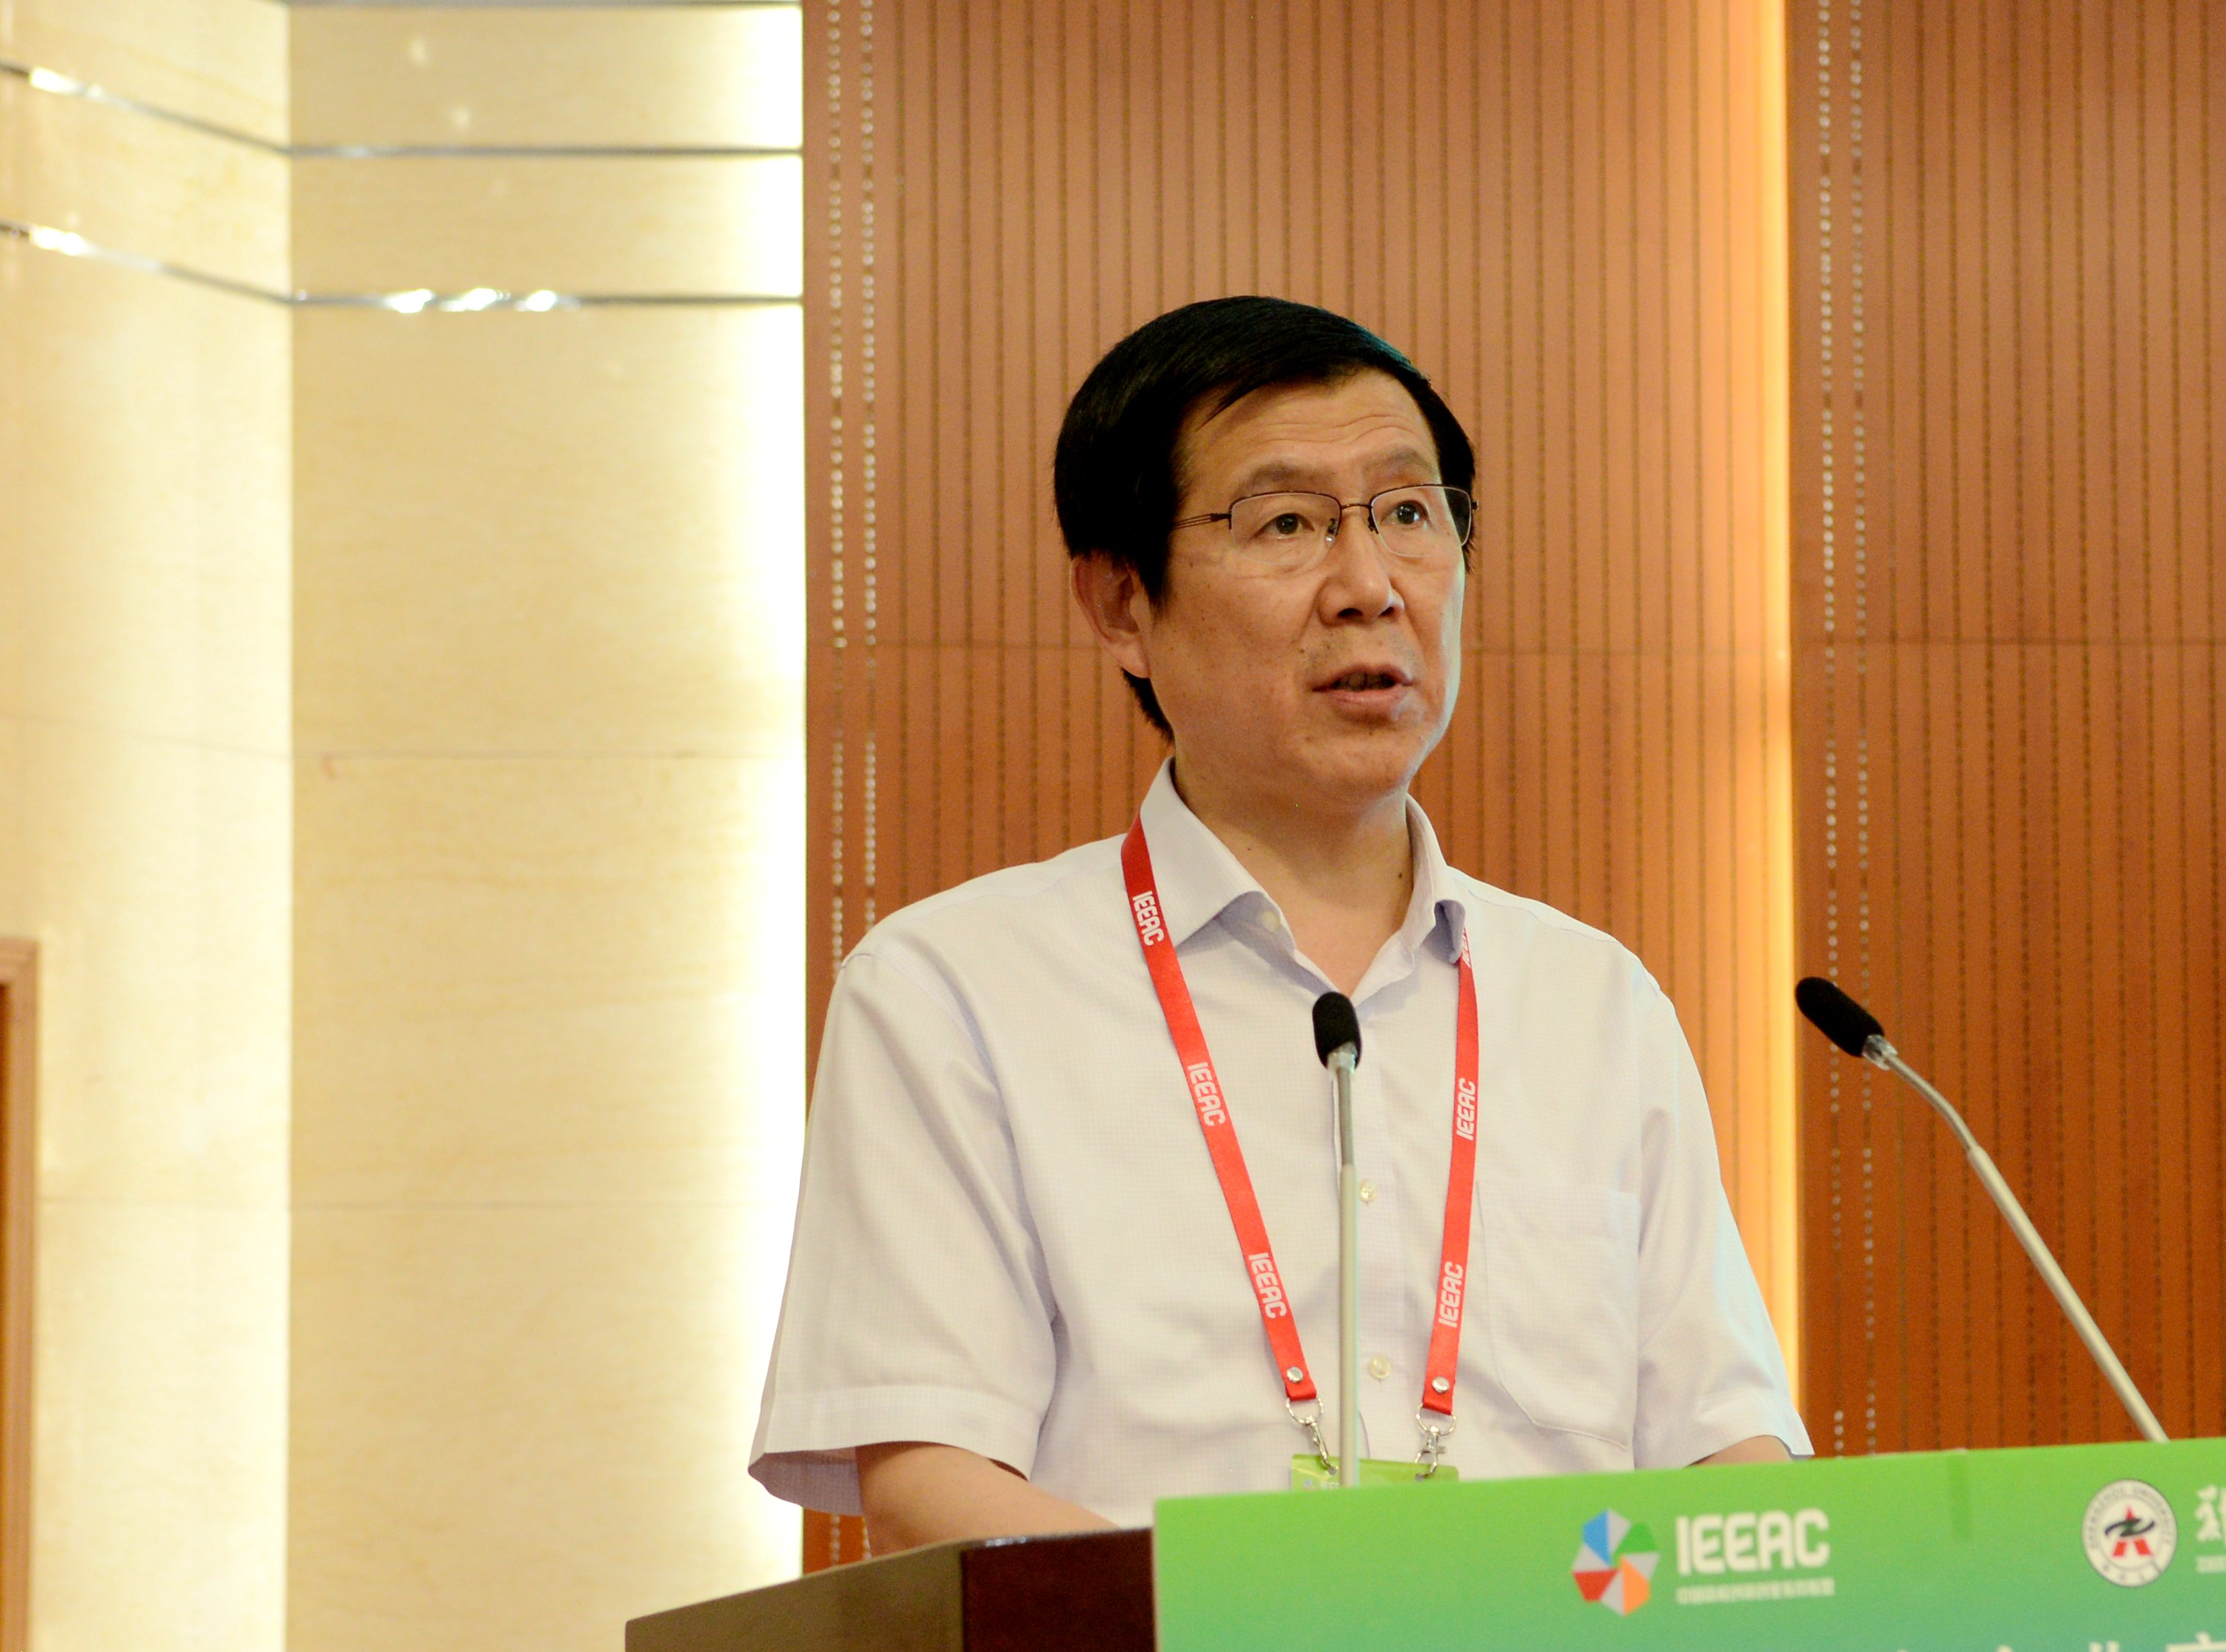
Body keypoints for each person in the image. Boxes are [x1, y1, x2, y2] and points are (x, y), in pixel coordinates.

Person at [749, 296, 1807, 1550]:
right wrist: (1257, 1642)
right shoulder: (954, 990)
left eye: (1409, 514)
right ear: (1120, 603)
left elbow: (1728, 1451)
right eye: (1288, 524)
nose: (1369, 588)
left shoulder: (1594, 1002)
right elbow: (930, 1475)